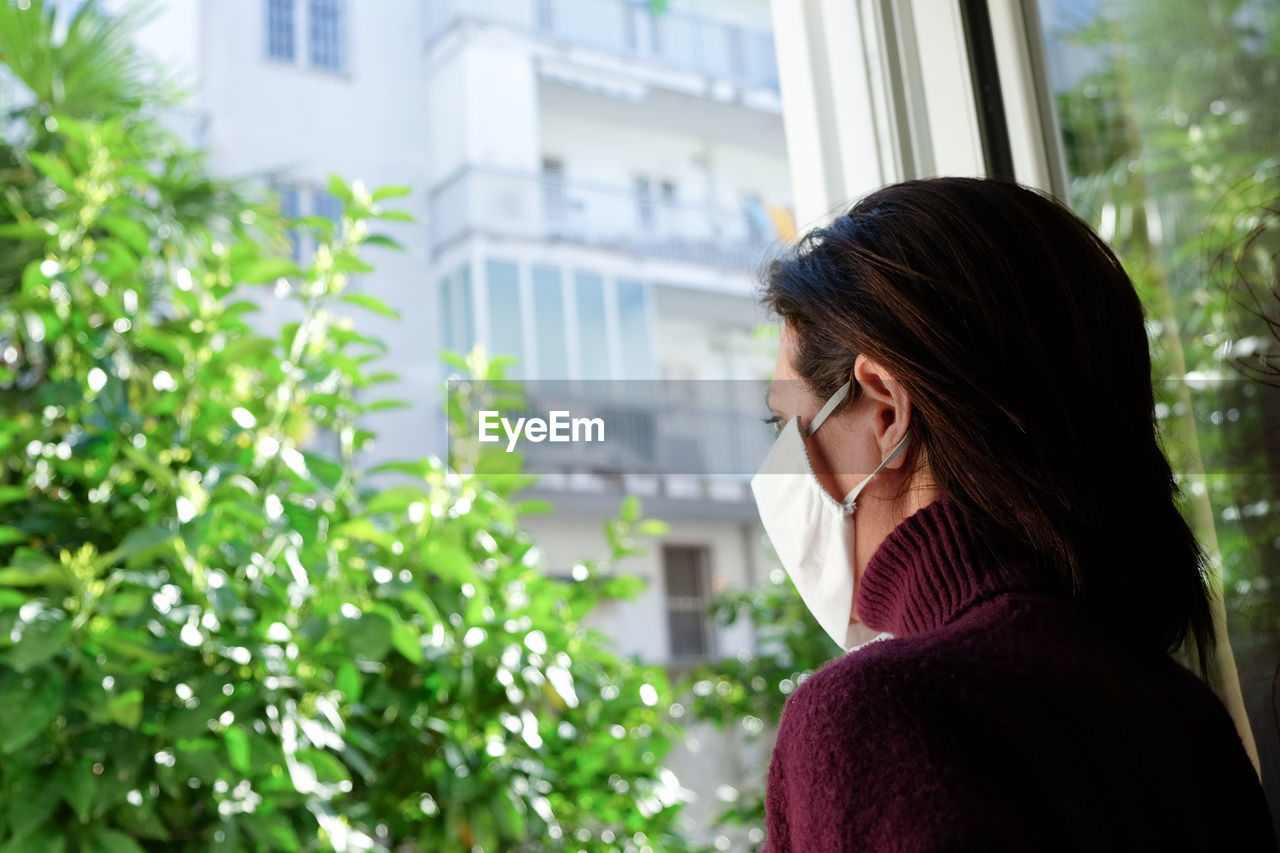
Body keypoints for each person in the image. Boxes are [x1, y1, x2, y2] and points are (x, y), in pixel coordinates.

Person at [749, 177, 1276, 851]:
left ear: (883, 409)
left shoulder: (883, 715)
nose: (781, 465)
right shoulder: (1183, 715)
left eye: (785, 422)